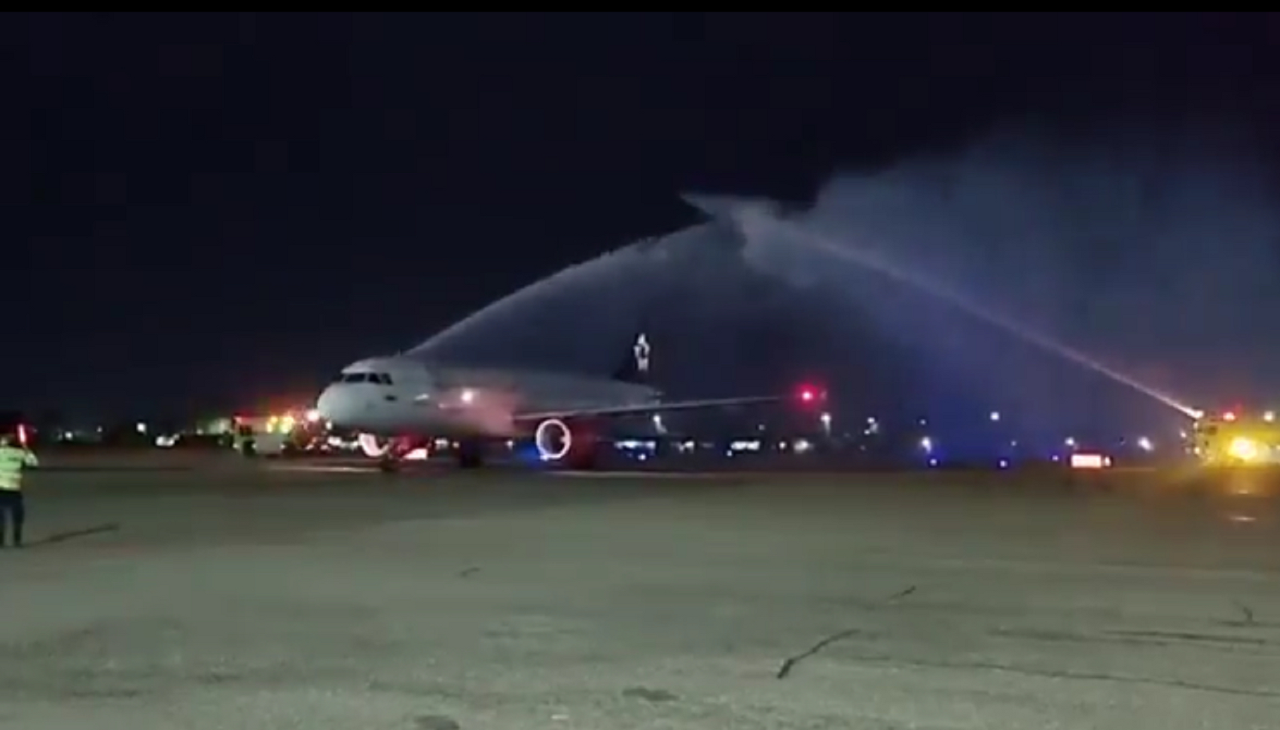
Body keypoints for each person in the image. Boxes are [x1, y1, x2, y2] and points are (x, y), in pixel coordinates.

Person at [0, 433, 38, 548]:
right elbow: (33, 462)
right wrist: (26, 448)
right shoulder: (19, 453)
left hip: (1, 488)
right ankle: (17, 540)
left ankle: (1, 541)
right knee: (17, 516)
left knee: (1, 518)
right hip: (14, 488)